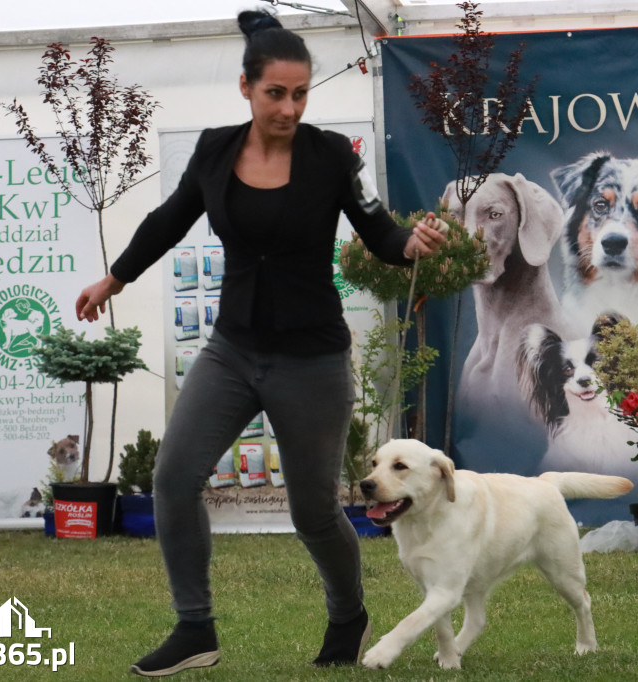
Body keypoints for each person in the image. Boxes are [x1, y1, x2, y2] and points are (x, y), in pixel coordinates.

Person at [75, 10, 447, 677]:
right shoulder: (216, 150)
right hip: (232, 350)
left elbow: (378, 229)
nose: (289, 106)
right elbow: (169, 219)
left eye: (300, 93)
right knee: (173, 476)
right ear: (247, 88)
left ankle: (347, 613)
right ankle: (195, 629)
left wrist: (409, 243)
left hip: (312, 359)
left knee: (312, 512)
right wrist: (116, 276)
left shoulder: (331, 156)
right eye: (276, 92)